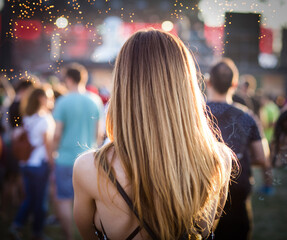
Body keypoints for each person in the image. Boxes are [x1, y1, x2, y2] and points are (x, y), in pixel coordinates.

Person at [73, 29, 234, 240]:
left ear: (123, 85)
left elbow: (87, 235)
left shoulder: (89, 169)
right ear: (185, 87)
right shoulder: (218, 160)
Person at [206, 58, 271, 240]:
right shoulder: (246, 116)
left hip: (202, 198)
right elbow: (262, 157)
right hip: (237, 196)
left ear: (208, 82)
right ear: (235, 84)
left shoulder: (195, 113)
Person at [52, 63, 103, 240]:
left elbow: (57, 133)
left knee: (64, 199)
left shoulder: (62, 101)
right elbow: (99, 133)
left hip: (65, 159)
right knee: (91, 203)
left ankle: (69, 237)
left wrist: (52, 152)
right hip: (90, 160)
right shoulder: (95, 100)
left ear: (68, 79)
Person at [9, 85, 55, 240]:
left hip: (25, 164)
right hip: (39, 164)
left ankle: (16, 225)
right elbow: (47, 145)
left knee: (29, 198)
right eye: (48, 97)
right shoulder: (45, 119)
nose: (51, 100)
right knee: (41, 201)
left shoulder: (27, 117)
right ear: (41, 99)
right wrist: (52, 163)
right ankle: (37, 232)